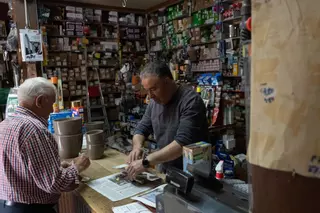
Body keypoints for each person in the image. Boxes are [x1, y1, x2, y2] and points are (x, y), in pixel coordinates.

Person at [0, 77, 90, 213]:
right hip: (31, 210)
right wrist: (77, 167)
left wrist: (56, 168)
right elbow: (55, 184)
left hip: (6, 206)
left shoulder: (4, 124)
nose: (52, 110)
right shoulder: (34, 130)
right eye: (52, 103)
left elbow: (21, 169)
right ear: (40, 101)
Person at [126, 61, 208, 178]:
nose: (150, 96)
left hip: (192, 173)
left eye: (153, 89)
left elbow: (182, 144)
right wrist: (136, 147)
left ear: (168, 81)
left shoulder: (190, 101)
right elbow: (141, 129)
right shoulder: (154, 103)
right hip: (167, 171)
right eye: (147, 90)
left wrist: (146, 161)